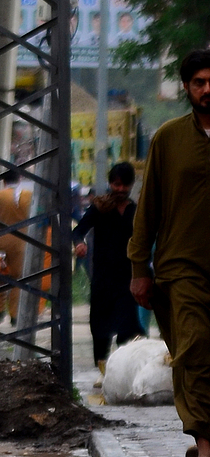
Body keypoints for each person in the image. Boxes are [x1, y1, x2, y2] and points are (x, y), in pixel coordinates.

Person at [130, 47, 210, 457]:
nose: (207, 90)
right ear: (186, 88)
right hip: (181, 267)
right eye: (199, 83)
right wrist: (139, 269)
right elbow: (149, 209)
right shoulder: (168, 139)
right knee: (194, 348)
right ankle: (205, 449)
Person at [75, 161, 142, 378]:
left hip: (127, 278)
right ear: (110, 184)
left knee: (127, 329)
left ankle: (123, 372)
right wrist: (80, 243)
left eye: (124, 185)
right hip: (103, 277)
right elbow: (78, 231)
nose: (120, 189)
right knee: (101, 328)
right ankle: (102, 371)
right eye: (116, 184)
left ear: (131, 185)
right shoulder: (100, 208)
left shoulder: (135, 211)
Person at [0, 167, 34, 323]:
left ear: (4, 181)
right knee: (18, 278)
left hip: (1, 242)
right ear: (19, 180)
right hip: (22, 243)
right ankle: (15, 315)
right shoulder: (29, 196)